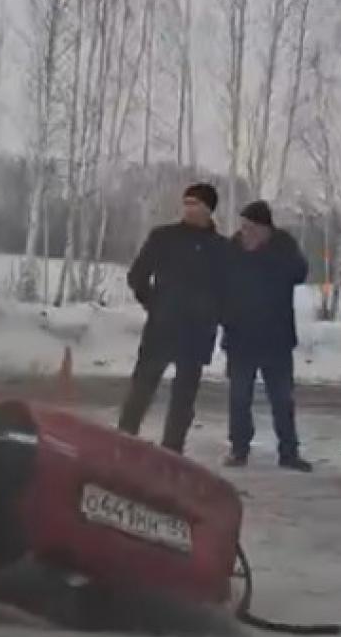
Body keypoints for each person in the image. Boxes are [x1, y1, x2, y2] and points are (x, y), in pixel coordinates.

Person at [118, 183, 226, 454]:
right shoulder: (164, 237)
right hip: (162, 327)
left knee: (184, 397)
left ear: (209, 209)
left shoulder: (220, 248)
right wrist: (155, 304)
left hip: (197, 332)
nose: (189, 208)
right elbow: (137, 275)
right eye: (186, 202)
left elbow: (230, 289)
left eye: (196, 204)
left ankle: (172, 449)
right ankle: (122, 441)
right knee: (142, 388)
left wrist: (215, 312)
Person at [221, 200, 312, 471]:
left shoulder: (283, 246)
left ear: (265, 228)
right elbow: (219, 284)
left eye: (251, 228)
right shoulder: (233, 248)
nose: (245, 232)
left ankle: (289, 452)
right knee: (239, 398)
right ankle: (239, 450)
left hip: (276, 339)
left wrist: (268, 254)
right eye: (243, 226)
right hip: (240, 337)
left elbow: (300, 273)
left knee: (282, 398)